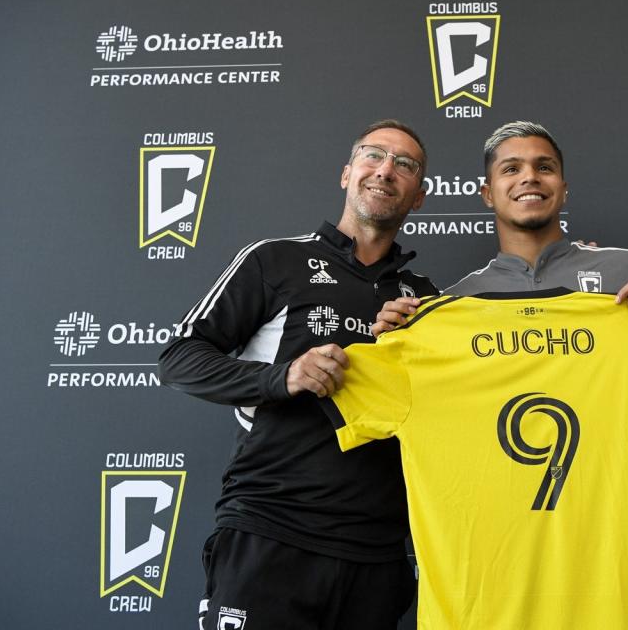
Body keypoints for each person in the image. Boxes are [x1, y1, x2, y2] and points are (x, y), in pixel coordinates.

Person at [373, 121, 628, 630]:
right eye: (511, 168)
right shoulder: (457, 302)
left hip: (627, 562)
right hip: (501, 570)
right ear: (487, 193)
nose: (529, 177)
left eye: (544, 167)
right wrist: (399, 339)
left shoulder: (625, 271)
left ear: (564, 187)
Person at [159, 119, 438, 630]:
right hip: (271, 530)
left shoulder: (424, 297)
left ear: (418, 196)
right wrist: (281, 377)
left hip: (377, 553)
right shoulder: (275, 259)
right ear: (347, 173)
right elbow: (179, 358)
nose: (386, 171)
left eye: (405, 165)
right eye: (373, 156)